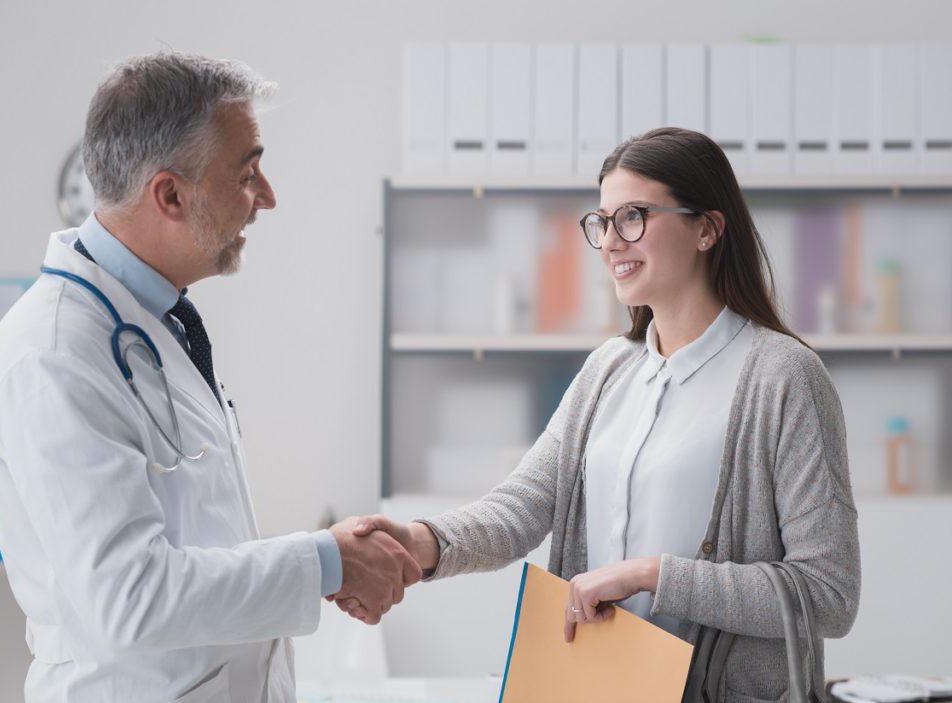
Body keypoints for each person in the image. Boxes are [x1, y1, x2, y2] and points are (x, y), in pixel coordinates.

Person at [341, 127, 861, 701]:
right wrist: (417, 541)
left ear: (707, 228)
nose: (611, 241)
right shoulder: (609, 369)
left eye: (633, 216)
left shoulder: (784, 377)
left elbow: (828, 593)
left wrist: (650, 576)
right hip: (596, 687)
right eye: (603, 221)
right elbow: (521, 508)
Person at [0, 51, 420, 703]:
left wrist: (329, 559)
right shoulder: (54, 351)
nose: (267, 196)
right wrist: (327, 560)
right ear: (171, 195)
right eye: (247, 173)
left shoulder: (155, 323)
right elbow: (131, 596)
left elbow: (200, 540)